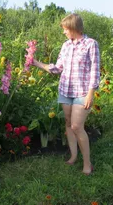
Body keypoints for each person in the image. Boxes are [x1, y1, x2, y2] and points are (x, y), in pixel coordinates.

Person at [32, 13, 100, 175]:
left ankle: (87, 164)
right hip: (65, 90)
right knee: (68, 123)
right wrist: (35, 63)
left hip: (82, 91)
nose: (64, 32)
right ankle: (73, 155)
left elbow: (95, 71)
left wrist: (91, 93)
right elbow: (57, 68)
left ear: (73, 28)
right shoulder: (66, 46)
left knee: (77, 126)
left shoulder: (91, 44)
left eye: (65, 29)